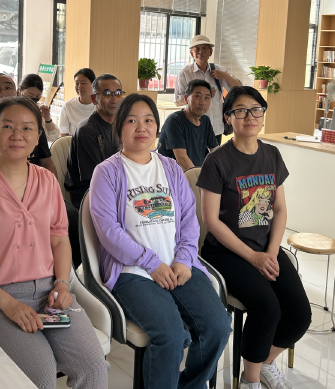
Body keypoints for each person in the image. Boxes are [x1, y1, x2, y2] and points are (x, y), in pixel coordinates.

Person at [0, 96, 107, 389]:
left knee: (94, 367)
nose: (17, 135)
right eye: (7, 126)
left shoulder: (47, 181)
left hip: (51, 292)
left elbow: (60, 241)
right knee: (41, 376)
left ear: (38, 136)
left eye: (27, 128)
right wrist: (8, 304)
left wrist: (63, 284)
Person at [88, 93, 231, 389]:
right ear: (119, 127)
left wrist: (184, 259)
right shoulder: (107, 172)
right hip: (133, 272)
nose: (141, 127)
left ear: (157, 127)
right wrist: (151, 264)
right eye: (132, 120)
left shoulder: (171, 168)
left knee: (218, 327)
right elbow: (108, 231)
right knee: (171, 336)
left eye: (148, 120)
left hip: (178, 265)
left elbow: (190, 219)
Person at [198, 86, 311, 389]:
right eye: (240, 110)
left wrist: (271, 252)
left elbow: (280, 208)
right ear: (228, 118)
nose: (249, 116)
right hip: (226, 252)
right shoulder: (217, 160)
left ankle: (265, 364)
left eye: (256, 109)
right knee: (268, 307)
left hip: (265, 247)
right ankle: (250, 381)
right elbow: (211, 221)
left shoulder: (271, 155)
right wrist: (253, 257)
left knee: (300, 314)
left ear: (263, 115)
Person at [0, 73, 82, 268]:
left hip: (38, 193)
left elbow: (48, 163)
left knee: (73, 221)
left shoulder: (32, 126)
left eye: (8, 87)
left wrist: (51, 195)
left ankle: (67, 271)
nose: (3, 92)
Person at [64, 73, 123, 208]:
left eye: (118, 93)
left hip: (114, 187)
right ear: (94, 99)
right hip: (89, 196)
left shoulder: (120, 125)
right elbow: (95, 179)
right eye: (107, 94)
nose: (114, 100)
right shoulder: (86, 131)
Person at [174, 34, 241, 146]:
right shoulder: (185, 73)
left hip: (216, 127)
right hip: (194, 127)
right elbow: (177, 101)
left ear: (210, 52)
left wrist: (225, 76)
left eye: (204, 48)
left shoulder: (219, 71)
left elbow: (239, 88)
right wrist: (197, 96)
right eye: (197, 49)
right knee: (194, 156)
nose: (201, 51)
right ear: (192, 53)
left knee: (214, 156)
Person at [157, 79, 218, 170]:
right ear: (186, 99)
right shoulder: (174, 121)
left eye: (207, 98)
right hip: (172, 175)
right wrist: (197, 178)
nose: (202, 102)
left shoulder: (205, 120)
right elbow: (182, 159)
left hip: (193, 172)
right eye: (197, 96)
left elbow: (215, 150)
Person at [18, 73, 59, 143]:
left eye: (37, 96)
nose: (34, 98)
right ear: (20, 91)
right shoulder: (12, 109)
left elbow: (53, 137)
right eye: (30, 95)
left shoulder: (39, 109)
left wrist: (47, 118)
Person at [59, 68, 96, 137]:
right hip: (73, 143)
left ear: (93, 84)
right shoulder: (68, 106)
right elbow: (64, 135)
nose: (79, 86)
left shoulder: (101, 106)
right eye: (77, 83)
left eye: (83, 83)